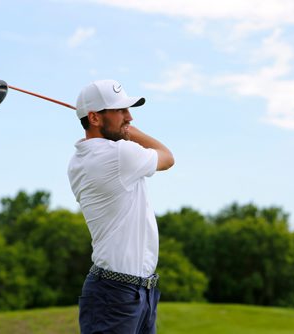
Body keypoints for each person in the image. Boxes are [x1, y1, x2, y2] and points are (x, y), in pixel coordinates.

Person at [67, 79, 174, 334]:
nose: (130, 117)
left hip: (133, 291)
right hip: (117, 296)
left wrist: (121, 127)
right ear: (94, 117)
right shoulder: (119, 155)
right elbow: (167, 157)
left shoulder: (79, 159)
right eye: (121, 111)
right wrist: (130, 133)